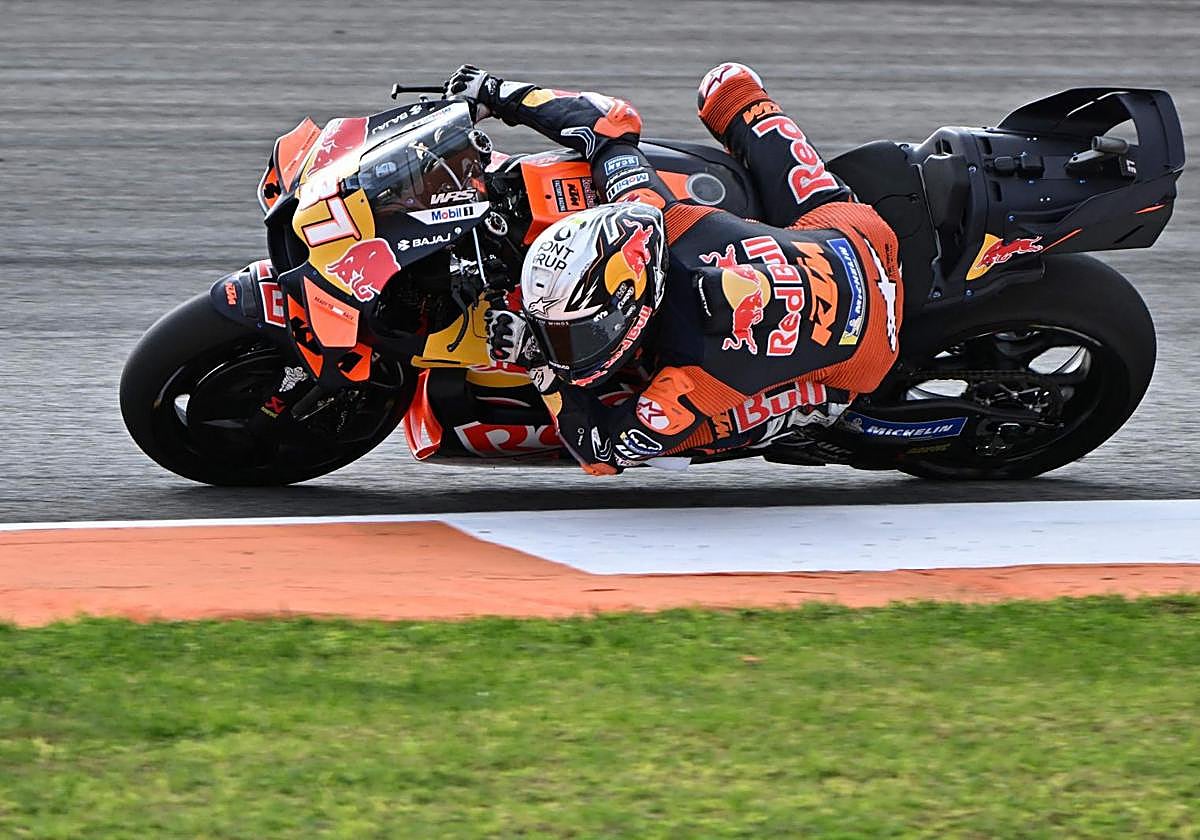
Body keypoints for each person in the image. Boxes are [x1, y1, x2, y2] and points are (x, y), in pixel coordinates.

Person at [443, 63, 903, 474]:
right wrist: (496, 92)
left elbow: (602, 453)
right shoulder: (657, 217)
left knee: (695, 436)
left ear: (632, 311)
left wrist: (537, 364)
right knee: (727, 86)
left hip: (868, 356)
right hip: (855, 233)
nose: (568, 345)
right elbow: (610, 122)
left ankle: (817, 414)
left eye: (579, 332)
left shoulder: (688, 376)